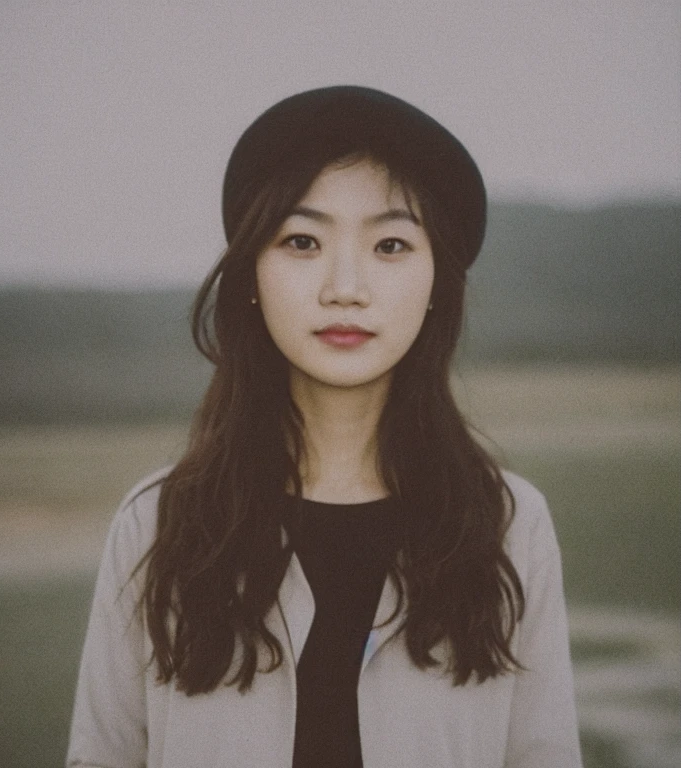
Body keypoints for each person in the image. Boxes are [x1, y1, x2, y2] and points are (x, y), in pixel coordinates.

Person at [66, 86, 583, 768]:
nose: (345, 287)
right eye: (303, 241)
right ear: (253, 274)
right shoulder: (158, 524)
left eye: (390, 244)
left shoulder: (509, 526)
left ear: (437, 283)